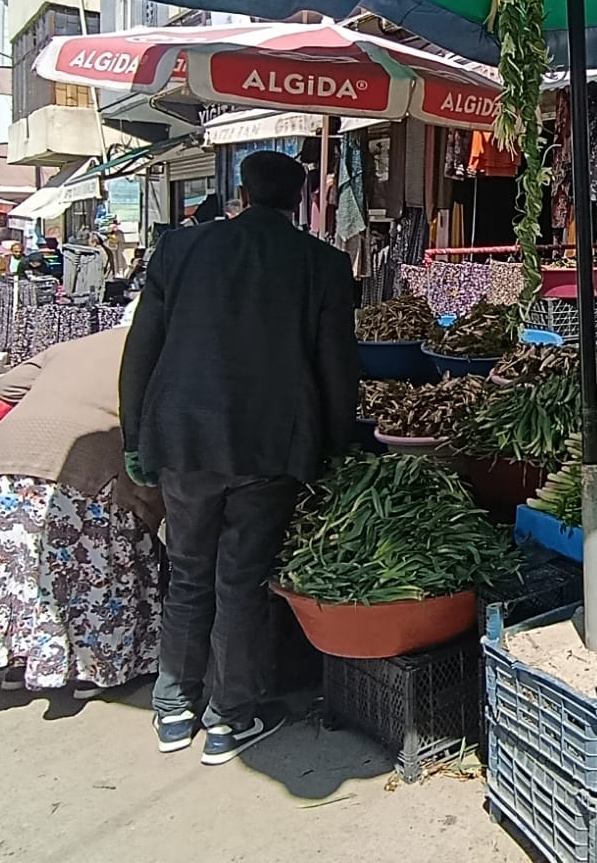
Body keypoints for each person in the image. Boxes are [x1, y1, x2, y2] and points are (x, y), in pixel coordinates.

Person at [120, 150, 357, 764]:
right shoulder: (323, 263)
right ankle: (229, 720)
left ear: (242, 195)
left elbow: (140, 350)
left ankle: (174, 709)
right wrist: (340, 448)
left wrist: (134, 439)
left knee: (188, 571)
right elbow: (337, 367)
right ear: (300, 201)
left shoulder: (179, 249)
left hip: (182, 439)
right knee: (241, 579)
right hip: (269, 445)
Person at [0, 303, 164, 700]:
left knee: (15, 565)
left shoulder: (70, 346)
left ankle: (18, 662)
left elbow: (3, 387)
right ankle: (90, 671)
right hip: (86, 464)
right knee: (92, 565)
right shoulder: (161, 350)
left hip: (5, 456)